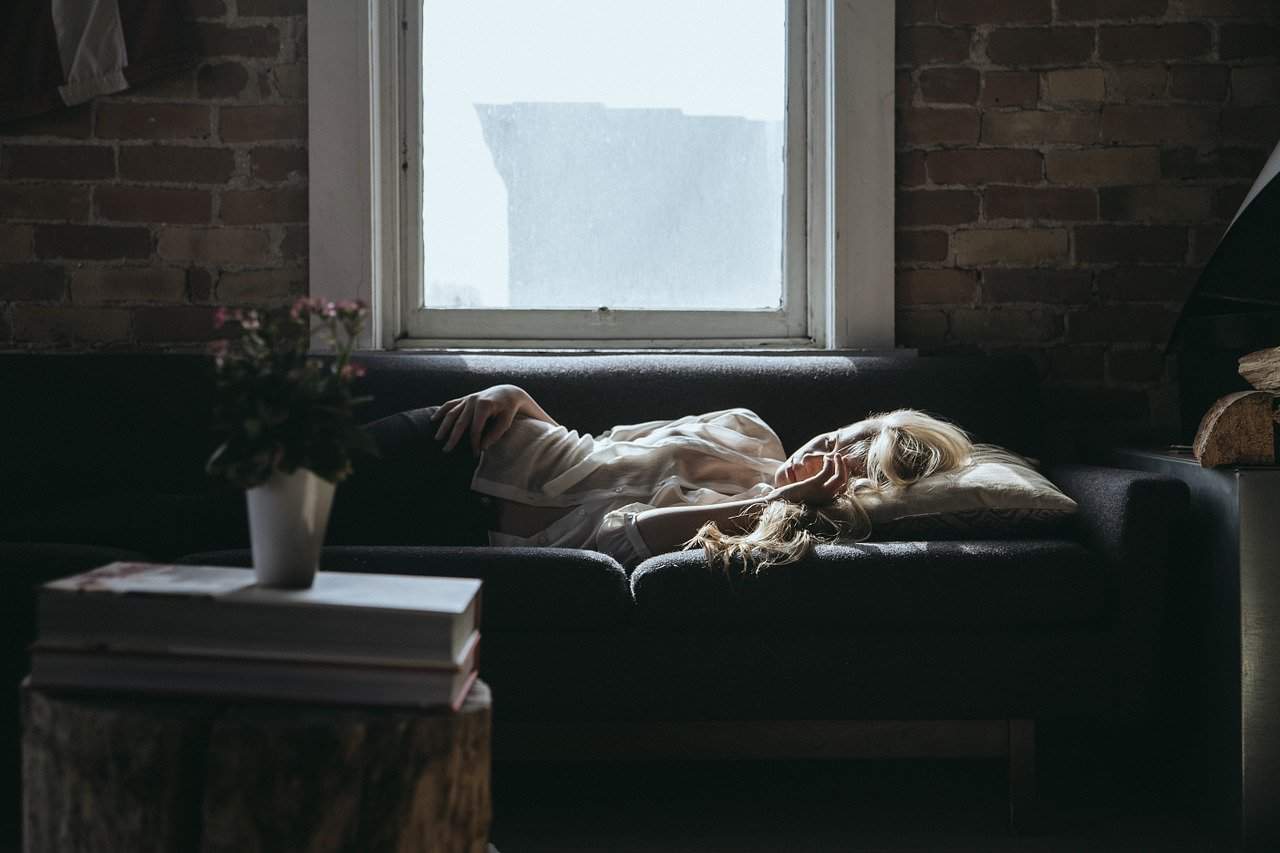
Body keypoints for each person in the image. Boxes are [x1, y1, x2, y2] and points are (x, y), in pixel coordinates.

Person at [418, 383, 973, 572]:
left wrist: (783, 500)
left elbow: (618, 536)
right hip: (469, 442)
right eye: (826, 440)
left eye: (833, 465)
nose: (813, 453)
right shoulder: (746, 428)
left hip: (468, 538)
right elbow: (600, 445)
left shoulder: (768, 527)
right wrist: (513, 398)